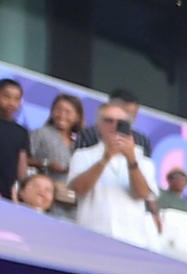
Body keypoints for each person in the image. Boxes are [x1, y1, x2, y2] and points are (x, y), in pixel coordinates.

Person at [67, 94, 158, 248]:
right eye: (108, 121)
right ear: (99, 125)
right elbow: (79, 189)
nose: (114, 126)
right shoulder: (83, 155)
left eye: (120, 122)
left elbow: (142, 194)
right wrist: (105, 159)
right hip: (92, 237)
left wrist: (131, 160)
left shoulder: (143, 159)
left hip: (132, 241)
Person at [28, 94, 82, 219]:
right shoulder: (41, 133)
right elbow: (24, 159)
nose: (62, 115)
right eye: (58, 109)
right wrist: (46, 163)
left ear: (77, 117)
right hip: (47, 201)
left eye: (68, 112)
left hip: (73, 205)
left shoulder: (79, 143)